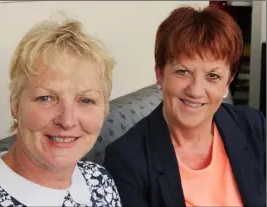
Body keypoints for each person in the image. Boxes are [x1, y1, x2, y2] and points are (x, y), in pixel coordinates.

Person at [104, 5, 266, 207]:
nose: (196, 90)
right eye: (183, 72)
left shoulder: (254, 126)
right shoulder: (126, 159)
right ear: (160, 74)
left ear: (228, 82)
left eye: (213, 76)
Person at [0, 16, 122, 207]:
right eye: (46, 98)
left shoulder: (100, 180)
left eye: (86, 100)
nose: (67, 121)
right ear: (15, 104)